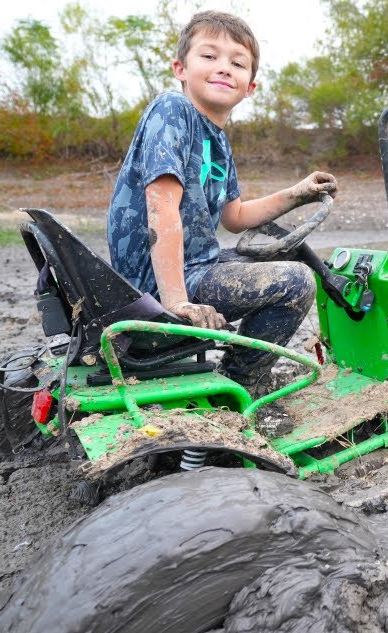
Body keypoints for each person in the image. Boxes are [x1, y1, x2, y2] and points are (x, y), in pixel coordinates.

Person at [107, 10, 336, 390]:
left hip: (196, 267)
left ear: (250, 87)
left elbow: (234, 215)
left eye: (237, 63)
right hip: (155, 284)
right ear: (181, 68)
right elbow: (160, 206)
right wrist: (176, 303)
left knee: (285, 261)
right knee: (295, 282)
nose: (224, 68)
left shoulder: (217, 141)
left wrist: (299, 193)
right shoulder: (173, 111)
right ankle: (238, 385)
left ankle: (234, 379)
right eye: (209, 56)